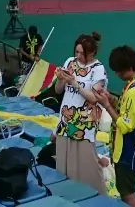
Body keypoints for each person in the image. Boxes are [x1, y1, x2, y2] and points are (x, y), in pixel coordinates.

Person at [95, 46, 135, 207]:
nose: (117, 74)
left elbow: (126, 125)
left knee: (127, 193)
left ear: (129, 68)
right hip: (134, 147)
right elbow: (131, 111)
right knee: (126, 190)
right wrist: (113, 101)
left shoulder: (134, 91)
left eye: (119, 71)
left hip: (128, 150)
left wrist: (107, 105)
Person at [53, 32, 108, 195]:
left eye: (81, 53)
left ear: (91, 53)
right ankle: (68, 194)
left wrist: (74, 83)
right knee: (65, 160)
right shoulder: (70, 62)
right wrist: (62, 79)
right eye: (76, 52)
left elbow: (94, 97)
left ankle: (97, 196)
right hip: (65, 118)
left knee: (87, 162)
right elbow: (58, 90)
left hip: (85, 122)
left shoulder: (98, 70)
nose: (77, 56)